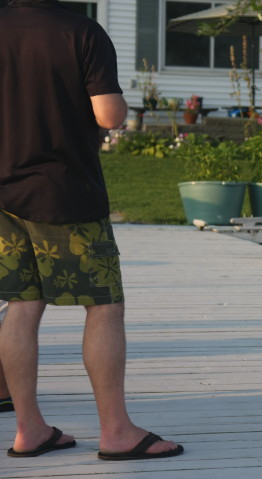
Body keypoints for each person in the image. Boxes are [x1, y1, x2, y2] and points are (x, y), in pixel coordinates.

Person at [0, 0, 183, 460]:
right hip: (64, 192)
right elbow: (109, 115)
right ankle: (117, 431)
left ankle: (29, 429)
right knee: (104, 306)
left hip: (2, 194)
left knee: (21, 304)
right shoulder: (81, 32)